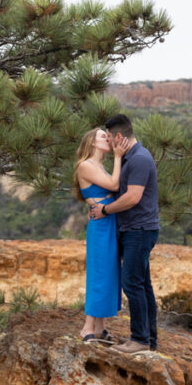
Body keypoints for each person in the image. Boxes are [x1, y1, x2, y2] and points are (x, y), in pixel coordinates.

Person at [90, 114, 160, 354]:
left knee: (132, 283)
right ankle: (148, 339)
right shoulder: (131, 158)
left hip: (139, 231)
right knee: (143, 285)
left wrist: (105, 210)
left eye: (109, 137)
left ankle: (139, 340)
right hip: (135, 230)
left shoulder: (139, 159)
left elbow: (133, 197)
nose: (108, 142)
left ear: (119, 136)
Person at [73, 128, 132, 343]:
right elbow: (114, 186)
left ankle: (100, 326)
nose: (107, 138)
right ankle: (87, 327)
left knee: (109, 273)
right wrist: (118, 156)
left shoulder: (99, 167)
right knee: (99, 273)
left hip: (109, 220)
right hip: (101, 224)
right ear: (91, 143)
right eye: (102, 136)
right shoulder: (85, 166)